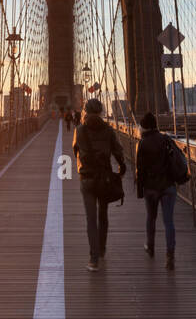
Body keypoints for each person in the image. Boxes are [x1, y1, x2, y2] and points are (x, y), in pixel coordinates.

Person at [72, 97, 125, 271]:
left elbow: (75, 151)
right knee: (103, 215)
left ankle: (93, 259)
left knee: (91, 219)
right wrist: (122, 168)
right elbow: (118, 152)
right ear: (101, 111)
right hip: (104, 178)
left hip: (87, 179)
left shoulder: (79, 130)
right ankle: (102, 249)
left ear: (85, 111)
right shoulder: (109, 130)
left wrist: (83, 165)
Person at [134, 111, 177, 270]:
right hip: (168, 187)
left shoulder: (142, 144)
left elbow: (140, 170)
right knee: (169, 222)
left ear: (144, 127)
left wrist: (140, 191)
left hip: (151, 188)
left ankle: (150, 246)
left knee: (151, 218)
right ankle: (170, 255)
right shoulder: (166, 139)